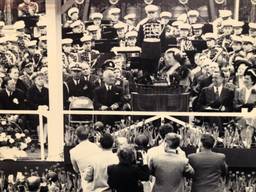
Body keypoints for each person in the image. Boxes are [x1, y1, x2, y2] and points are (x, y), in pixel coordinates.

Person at [69, 125, 102, 191]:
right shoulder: (97, 148)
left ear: (76, 136)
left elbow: (76, 170)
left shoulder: (73, 151)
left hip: (86, 185)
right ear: (88, 135)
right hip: (99, 184)